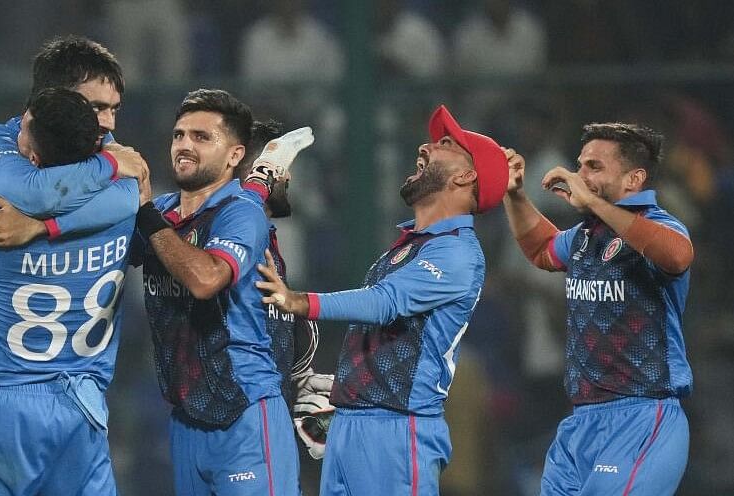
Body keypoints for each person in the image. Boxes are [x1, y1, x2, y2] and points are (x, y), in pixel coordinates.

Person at [255, 104, 509, 496]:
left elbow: (385, 302)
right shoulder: (412, 245)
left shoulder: (458, 253)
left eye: (445, 144)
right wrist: (344, 394)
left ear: (465, 175)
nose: (425, 146)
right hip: (355, 424)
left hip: (397, 431)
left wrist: (299, 301)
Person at [0, 87, 141, 495]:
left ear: (36, 161)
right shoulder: (121, 208)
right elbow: (132, 194)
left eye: (25, 129)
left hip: (1, 406)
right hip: (81, 404)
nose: (17, 128)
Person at [501, 123, 692, 495]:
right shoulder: (588, 234)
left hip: (640, 417)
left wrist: (591, 202)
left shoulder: (660, 225)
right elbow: (542, 249)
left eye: (594, 167)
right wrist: (515, 195)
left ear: (634, 178)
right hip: (582, 419)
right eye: (580, 165)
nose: (579, 175)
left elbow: (678, 256)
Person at [131, 88, 302, 495]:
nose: (184, 145)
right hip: (187, 418)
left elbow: (206, 280)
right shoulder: (165, 210)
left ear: (234, 155)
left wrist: (145, 216)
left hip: (244, 414)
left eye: (201, 137)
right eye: (179, 135)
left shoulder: (240, 212)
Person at [238, 121, 335, 463]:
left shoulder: (270, 239)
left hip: (270, 420)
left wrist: (301, 386)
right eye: (285, 169)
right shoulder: (227, 238)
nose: (289, 178)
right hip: (238, 427)